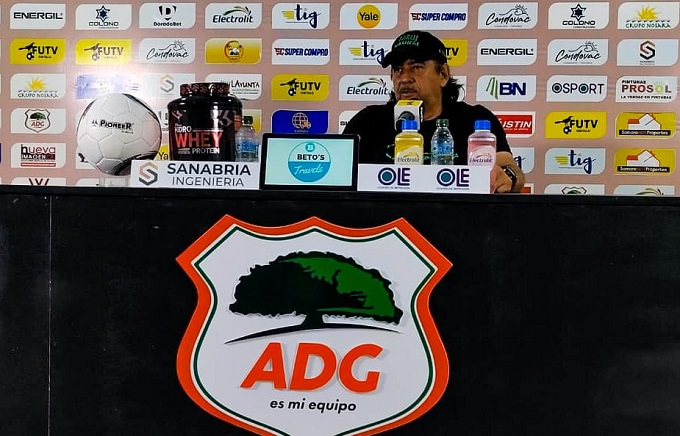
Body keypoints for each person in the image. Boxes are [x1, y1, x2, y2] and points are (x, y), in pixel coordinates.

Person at [343, 30, 525, 193]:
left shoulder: (475, 119)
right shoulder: (368, 121)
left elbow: (509, 168)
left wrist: (507, 176)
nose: (404, 78)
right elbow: (339, 176)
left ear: (443, 74)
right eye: (398, 70)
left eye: (416, 67)